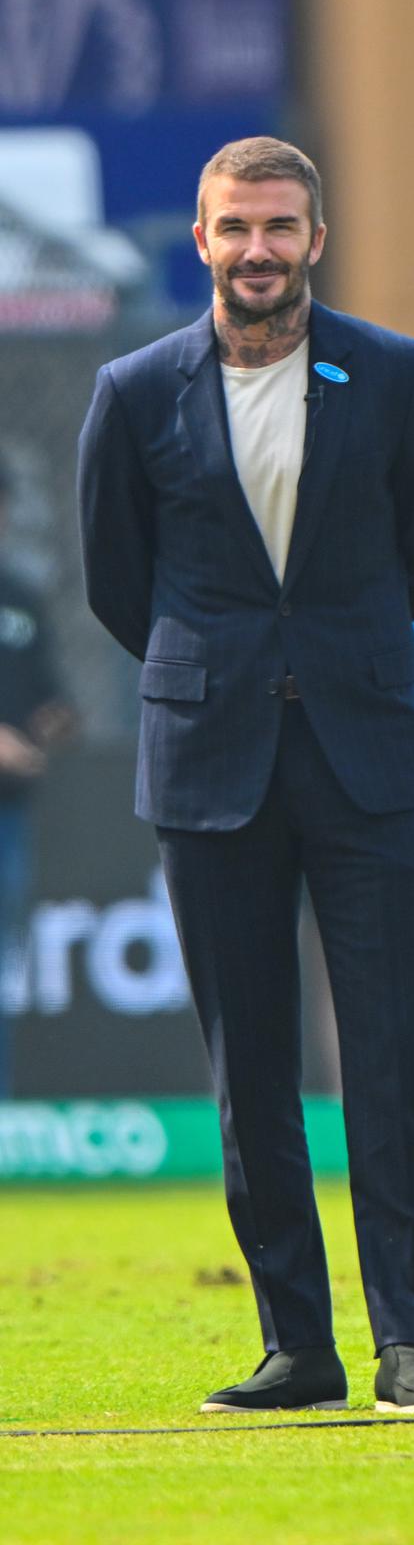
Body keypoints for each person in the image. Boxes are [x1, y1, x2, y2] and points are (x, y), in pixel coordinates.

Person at [77, 136, 414, 1415]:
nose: (258, 250)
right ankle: (297, 1343)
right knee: (248, 1064)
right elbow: (119, 585)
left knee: (391, 1059)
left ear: (318, 238)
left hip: (367, 752)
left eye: (280, 227)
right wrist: (228, 667)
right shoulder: (133, 391)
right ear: (199, 240)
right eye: (235, 228)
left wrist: (330, 653)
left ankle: (411, 1342)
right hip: (208, 759)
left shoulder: (401, 375)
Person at [0, 461, 75, 1096]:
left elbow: (53, 695)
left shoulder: (20, 597)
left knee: (3, 962)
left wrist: (49, 724)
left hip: (9, 811)